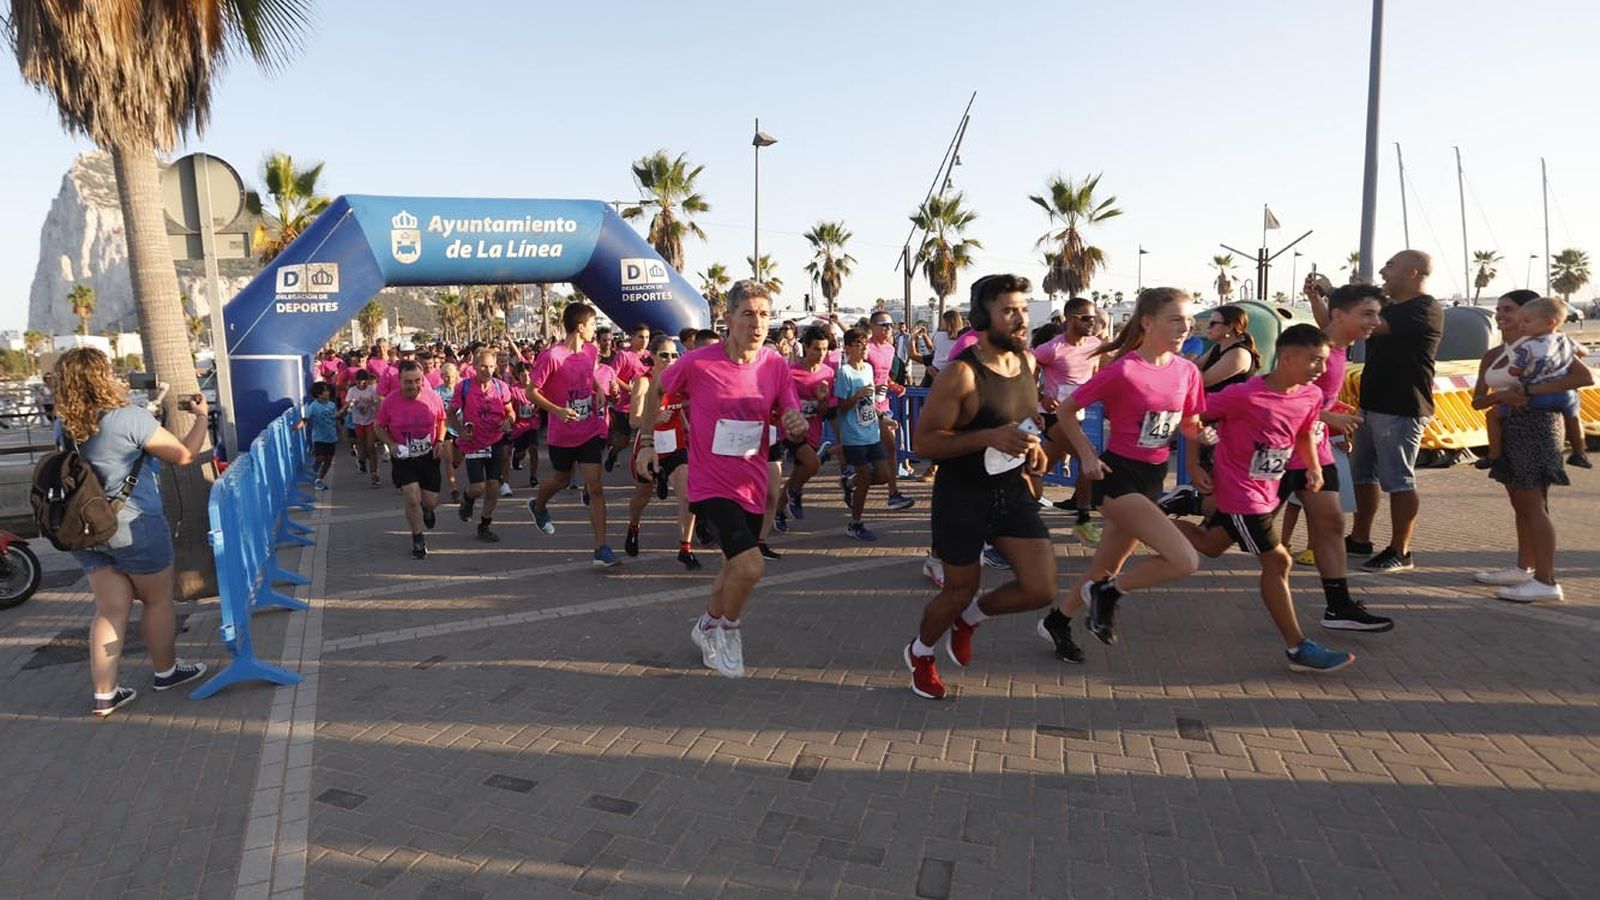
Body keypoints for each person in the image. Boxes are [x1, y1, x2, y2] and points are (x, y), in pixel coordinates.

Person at [634, 280, 806, 678]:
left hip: (750, 483)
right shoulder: (699, 362)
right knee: (750, 567)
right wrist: (646, 440)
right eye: (748, 314)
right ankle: (728, 630)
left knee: (732, 567)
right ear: (728, 318)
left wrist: (795, 424)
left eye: (764, 314)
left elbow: (791, 410)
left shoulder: (775, 365)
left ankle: (706, 625)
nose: (757, 323)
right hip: (710, 484)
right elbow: (659, 386)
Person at [904, 275, 1057, 699]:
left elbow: (1022, 419)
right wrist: (988, 438)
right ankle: (920, 653)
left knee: (1041, 587)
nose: (1021, 319)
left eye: (1024, 310)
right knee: (958, 589)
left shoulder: (1027, 363)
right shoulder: (961, 374)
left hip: (1011, 489)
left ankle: (970, 619)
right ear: (982, 316)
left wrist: (1032, 447)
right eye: (1009, 311)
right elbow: (925, 442)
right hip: (961, 495)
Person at [1173, 325, 1357, 671]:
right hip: (1241, 492)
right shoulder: (1244, 395)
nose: (1320, 368)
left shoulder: (1310, 396)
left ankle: (1153, 522)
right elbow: (1192, 416)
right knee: (1278, 562)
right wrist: (1194, 462)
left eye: (1323, 360)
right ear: (1287, 357)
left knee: (1210, 544)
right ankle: (1297, 648)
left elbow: (1304, 431)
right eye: (1314, 360)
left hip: (1267, 489)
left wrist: (1314, 467)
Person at [1041, 288, 1212, 654]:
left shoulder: (1187, 372)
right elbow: (1065, 410)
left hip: (1152, 478)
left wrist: (1199, 448)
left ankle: (1057, 621)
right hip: (1117, 477)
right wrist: (1086, 455)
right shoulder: (1124, 369)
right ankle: (1108, 593)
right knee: (1184, 560)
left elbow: (1190, 423)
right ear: (1148, 322)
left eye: (1189, 320)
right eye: (1176, 320)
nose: (1185, 328)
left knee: (1106, 564)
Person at [56, 348, 208, 716]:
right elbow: (184, 455)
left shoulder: (65, 426)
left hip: (88, 530)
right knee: (157, 602)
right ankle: (165, 672)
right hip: (133, 526)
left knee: (109, 611)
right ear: (102, 376)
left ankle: (105, 695)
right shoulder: (128, 418)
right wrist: (202, 418)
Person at [1279, 282, 1394, 632]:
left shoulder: (1339, 349)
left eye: (1377, 314)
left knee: (1331, 525)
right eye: (1368, 314)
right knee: (1217, 537)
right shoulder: (1313, 351)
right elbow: (1283, 398)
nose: (1376, 322)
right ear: (1340, 315)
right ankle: (1182, 504)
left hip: (1315, 449)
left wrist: (1332, 423)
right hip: (1282, 452)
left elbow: (1318, 403)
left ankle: (1339, 606)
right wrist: (1332, 419)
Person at [1470, 291, 1593, 602]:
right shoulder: (1494, 355)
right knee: (1520, 504)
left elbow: (1584, 376)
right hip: (1507, 427)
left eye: (1509, 309)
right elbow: (1478, 401)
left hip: (1538, 427)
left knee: (1533, 504)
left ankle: (1546, 579)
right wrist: (1502, 397)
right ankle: (1524, 567)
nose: (1501, 315)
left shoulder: (1551, 348)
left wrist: (1529, 389)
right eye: (1498, 309)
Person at [1333, 250, 1443, 573]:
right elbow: (1343, 325)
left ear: (1412, 273)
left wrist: (1341, 298)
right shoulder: (1390, 308)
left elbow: (1369, 325)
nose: (1383, 271)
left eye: (1390, 266)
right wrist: (1331, 300)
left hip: (1401, 408)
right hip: (1372, 405)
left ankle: (1401, 550)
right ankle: (1359, 539)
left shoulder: (1425, 309)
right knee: (1362, 475)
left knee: (1398, 481)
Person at [527, 303, 621, 566]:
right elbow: (531, 391)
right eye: (592, 324)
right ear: (581, 327)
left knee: (595, 487)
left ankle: (601, 548)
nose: (595, 329)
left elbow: (588, 373)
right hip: (563, 433)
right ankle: (539, 506)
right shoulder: (552, 357)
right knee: (561, 479)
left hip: (589, 428)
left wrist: (597, 389)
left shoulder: (591, 350)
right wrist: (556, 410)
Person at [623, 335, 701, 568]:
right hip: (649, 446)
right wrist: (656, 418)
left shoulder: (681, 381)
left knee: (688, 495)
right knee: (642, 497)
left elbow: (683, 410)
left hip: (675, 445)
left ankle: (685, 549)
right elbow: (634, 420)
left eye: (674, 355)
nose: (669, 359)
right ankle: (633, 526)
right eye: (664, 355)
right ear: (653, 357)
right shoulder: (645, 382)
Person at [1033, 296, 1104, 541]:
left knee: (1039, 468)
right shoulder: (1053, 348)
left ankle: (1009, 505)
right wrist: (1039, 394)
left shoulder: (1095, 344)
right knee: (1089, 456)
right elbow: (1026, 367)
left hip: (1078, 414)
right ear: (1070, 319)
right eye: (1086, 318)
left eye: (1093, 318)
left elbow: (1094, 376)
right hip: (1054, 416)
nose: (1091, 322)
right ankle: (1083, 518)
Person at [375, 360, 447, 559]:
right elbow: (378, 427)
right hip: (404, 458)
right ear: (399, 381)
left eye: (418, 381)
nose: (414, 386)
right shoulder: (389, 401)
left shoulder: (433, 398)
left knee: (430, 501)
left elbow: (442, 419)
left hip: (428, 456)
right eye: (408, 382)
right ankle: (418, 538)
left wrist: (440, 440)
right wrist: (391, 444)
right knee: (412, 498)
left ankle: (427, 509)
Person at [834, 328, 898, 541]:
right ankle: (855, 523)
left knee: (884, 475)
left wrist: (882, 418)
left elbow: (869, 402)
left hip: (871, 432)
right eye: (860, 345)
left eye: (866, 344)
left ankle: (849, 483)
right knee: (865, 478)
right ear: (849, 348)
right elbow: (841, 406)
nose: (864, 348)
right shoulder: (844, 372)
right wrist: (856, 395)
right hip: (853, 435)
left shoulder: (868, 369)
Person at [448, 347, 515, 542]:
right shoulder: (464, 387)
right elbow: (451, 413)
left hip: (494, 441)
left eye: (491, 367)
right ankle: (468, 500)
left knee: (493, 486)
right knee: (478, 488)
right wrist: (460, 431)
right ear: (475, 366)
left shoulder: (502, 387)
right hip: (474, 443)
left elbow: (510, 411)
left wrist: (508, 421)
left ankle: (484, 525)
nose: (487, 370)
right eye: (483, 366)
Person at [779, 326, 834, 528]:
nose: (821, 354)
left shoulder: (828, 373)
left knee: (798, 474)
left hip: (813, 430)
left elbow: (825, 409)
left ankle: (778, 510)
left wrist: (821, 400)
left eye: (824, 349)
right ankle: (794, 493)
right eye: (816, 349)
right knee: (813, 465)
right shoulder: (790, 372)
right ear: (806, 348)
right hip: (791, 431)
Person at [865, 312, 917, 511]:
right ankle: (851, 481)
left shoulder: (890, 348)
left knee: (891, 447)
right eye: (883, 325)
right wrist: (869, 390)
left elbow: (884, 376)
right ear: (872, 326)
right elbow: (857, 372)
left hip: (883, 405)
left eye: (890, 325)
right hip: (864, 405)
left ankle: (893, 493)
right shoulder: (866, 348)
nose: (888, 328)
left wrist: (894, 385)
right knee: (863, 453)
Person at [504, 361, 542, 492]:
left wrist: (539, 405)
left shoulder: (537, 389)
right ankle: (516, 457)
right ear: (518, 376)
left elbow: (543, 402)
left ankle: (533, 477)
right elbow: (508, 407)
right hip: (519, 427)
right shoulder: (513, 390)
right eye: (523, 375)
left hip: (532, 424)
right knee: (521, 453)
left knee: (534, 448)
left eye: (528, 374)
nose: (526, 377)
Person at [342, 368, 381, 487]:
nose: (361, 385)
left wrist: (378, 413)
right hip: (358, 421)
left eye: (364, 382)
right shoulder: (352, 390)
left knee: (371, 446)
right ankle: (361, 459)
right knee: (363, 447)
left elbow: (377, 403)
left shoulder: (371, 390)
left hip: (370, 420)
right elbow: (347, 403)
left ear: (367, 381)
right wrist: (346, 407)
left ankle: (374, 474)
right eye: (359, 382)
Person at [432, 362, 464, 502]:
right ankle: (454, 490)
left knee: (458, 458)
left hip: (459, 427)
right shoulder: (437, 391)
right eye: (445, 376)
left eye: (451, 376)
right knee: (449, 459)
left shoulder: (460, 389)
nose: (448, 379)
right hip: (445, 427)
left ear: (455, 376)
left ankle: (455, 464)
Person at [305, 382, 339, 490]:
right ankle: (317, 462)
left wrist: (338, 429)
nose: (327, 393)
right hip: (319, 437)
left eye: (328, 391)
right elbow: (306, 418)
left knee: (328, 460)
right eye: (325, 391)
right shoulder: (313, 406)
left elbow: (334, 419)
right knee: (321, 458)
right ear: (318, 394)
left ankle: (319, 479)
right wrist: (299, 426)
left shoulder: (332, 405)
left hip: (331, 437)